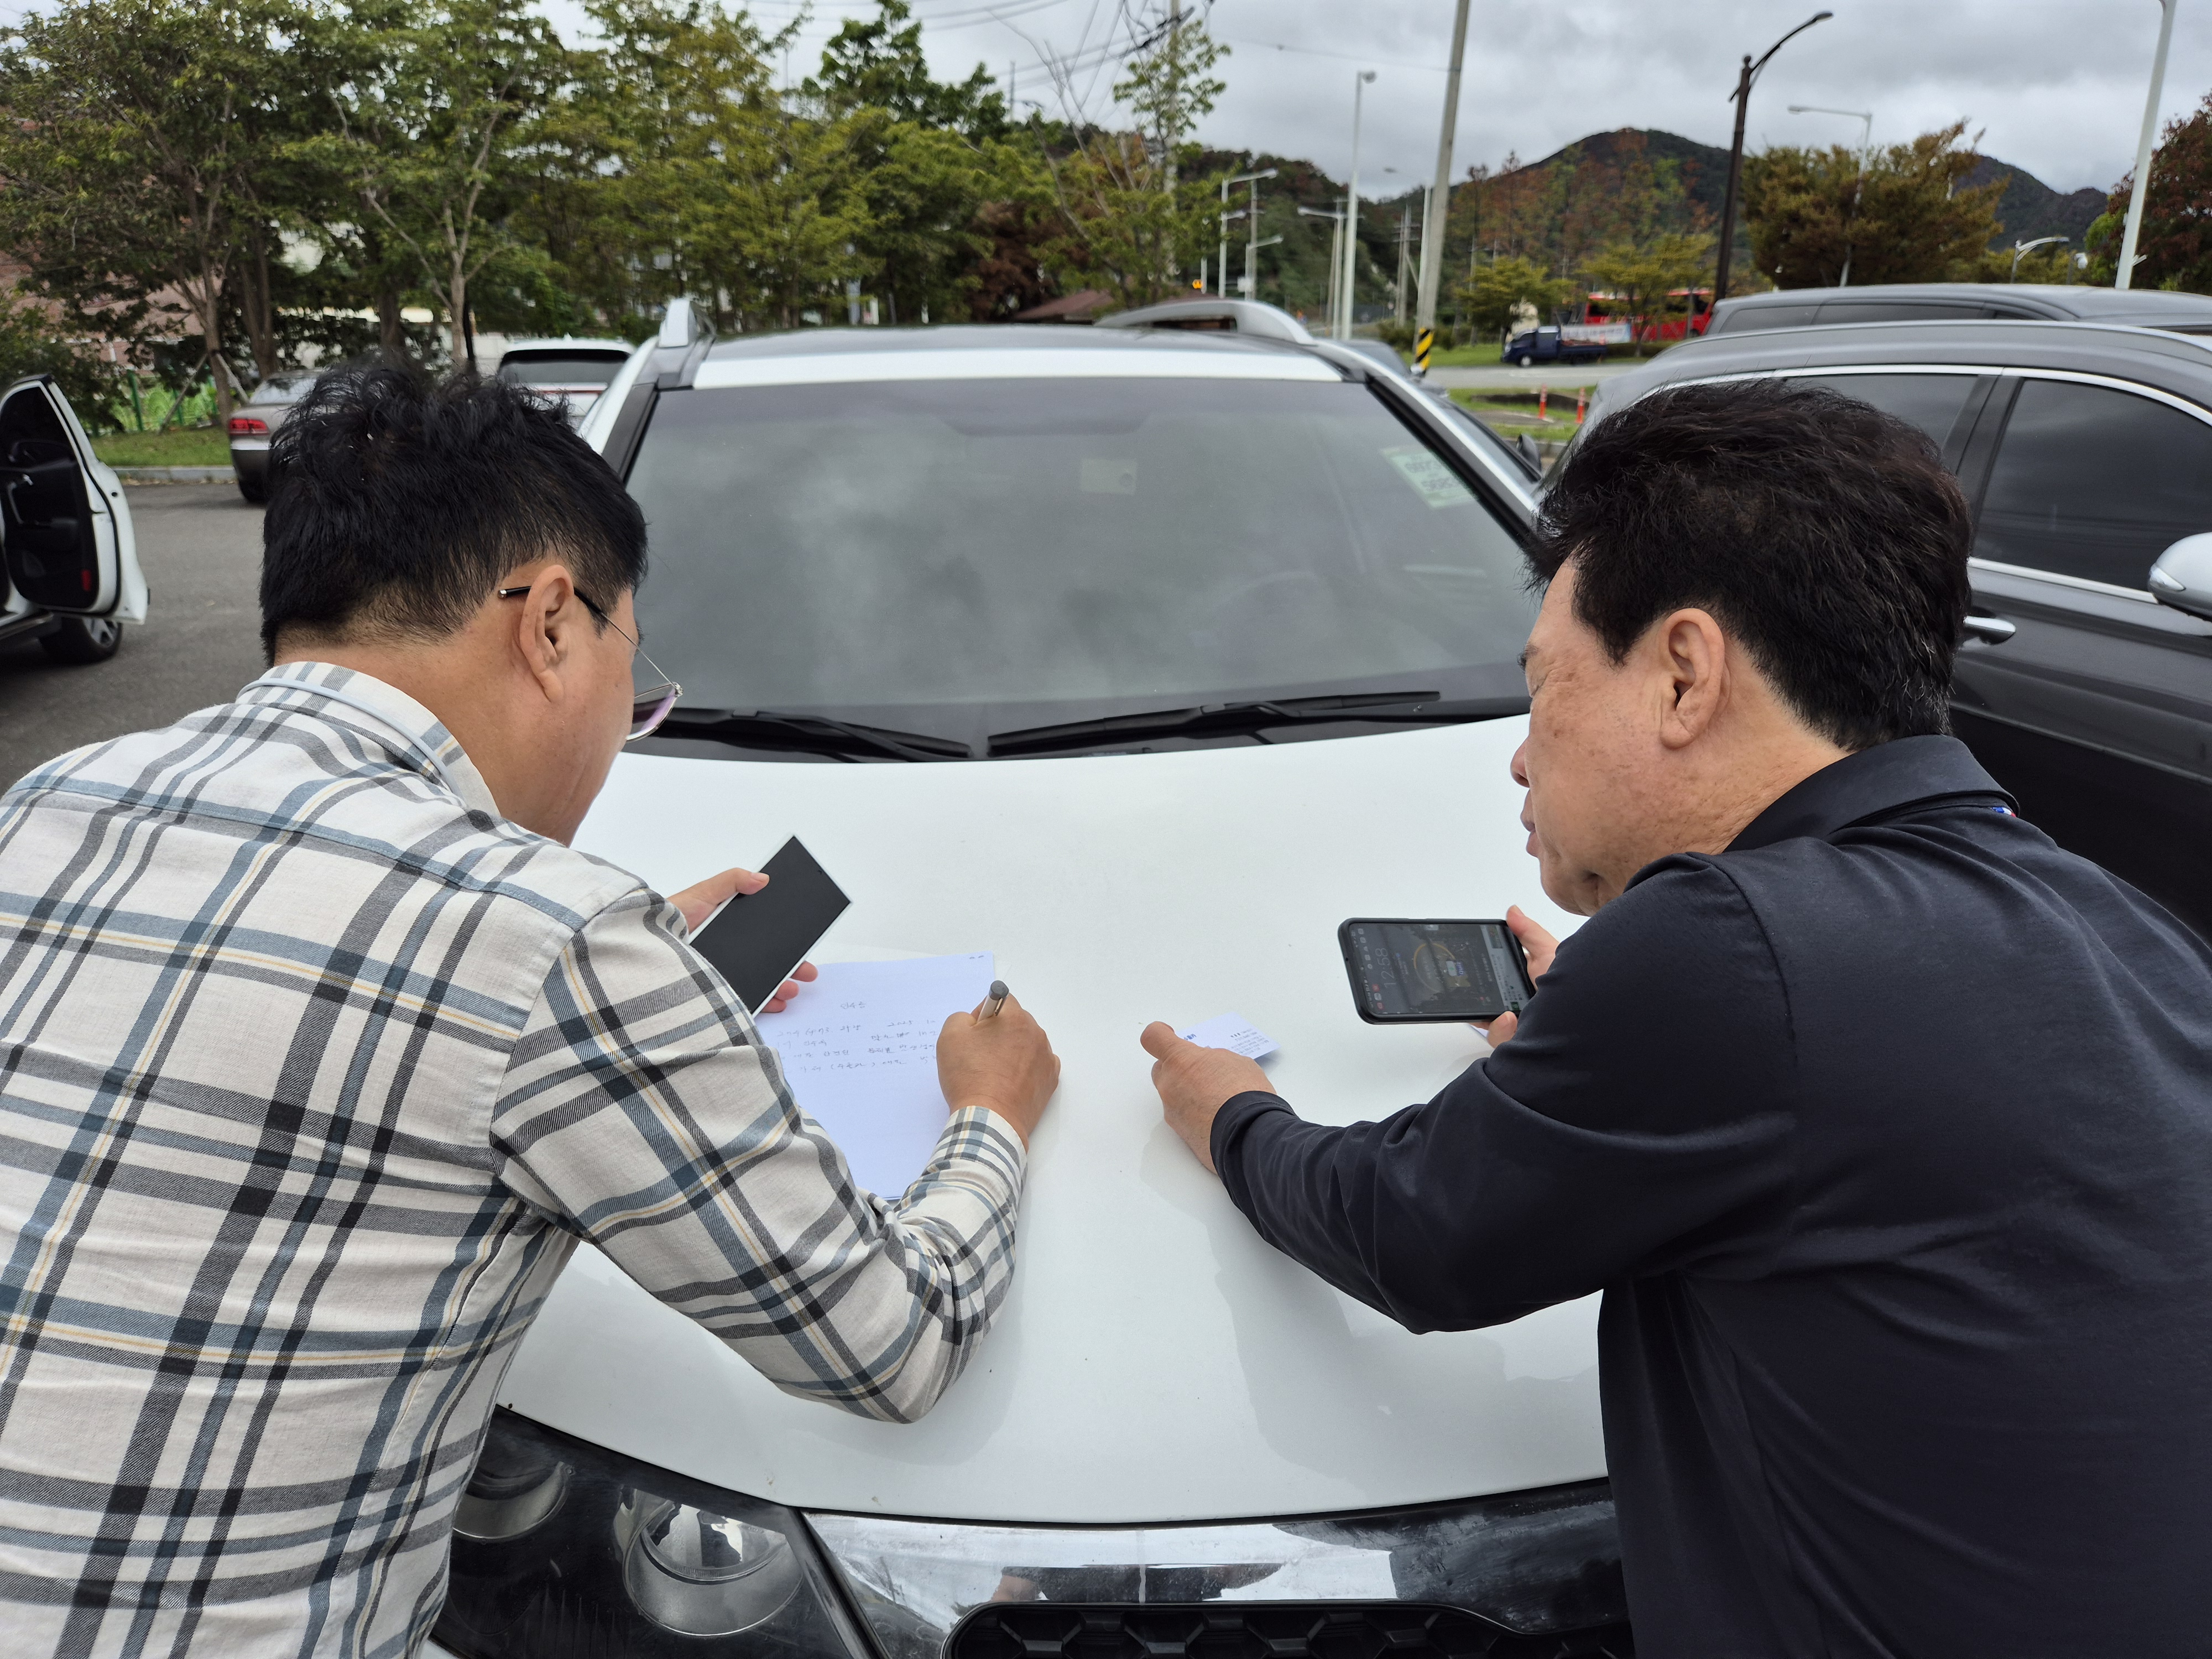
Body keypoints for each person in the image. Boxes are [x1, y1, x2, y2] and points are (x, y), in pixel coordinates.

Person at [1141, 380, 2212, 1657]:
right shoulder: (2128, 931)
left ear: (1683, 675)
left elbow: (1411, 1230)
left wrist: (1233, 1115)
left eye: (1542, 685)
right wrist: (1602, 1036)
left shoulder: (1726, 952)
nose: (1519, 756)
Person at [0, 367, 1058, 1656]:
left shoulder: (56, 798)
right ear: (553, 621)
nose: (629, 721)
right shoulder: (552, 938)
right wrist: (990, 1119)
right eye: (637, 671)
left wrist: (628, 974)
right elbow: (890, 1344)